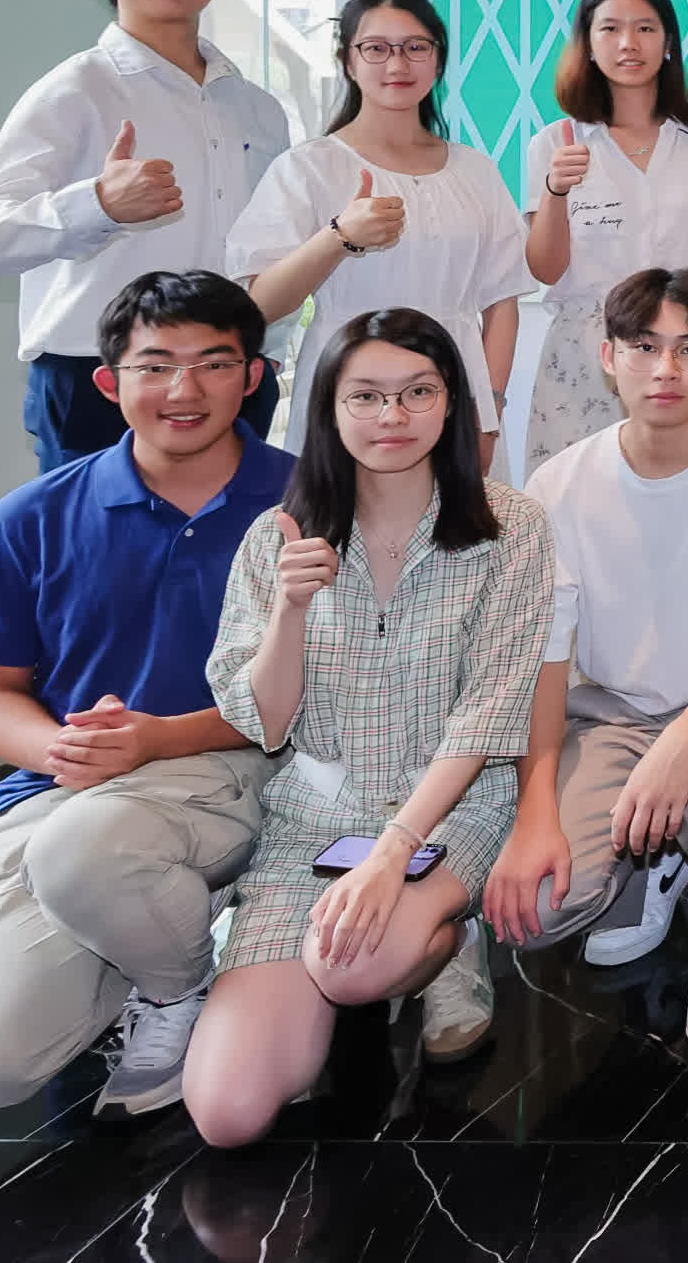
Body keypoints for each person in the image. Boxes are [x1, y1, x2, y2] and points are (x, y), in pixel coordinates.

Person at [0, 270, 290, 1119]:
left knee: (90, 851)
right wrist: (63, 748)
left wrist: (156, 741)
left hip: (254, 772)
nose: (184, 390)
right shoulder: (33, 515)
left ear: (253, 377)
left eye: (214, 363)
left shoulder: (312, 503)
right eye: (156, 366)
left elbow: (339, 693)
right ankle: (152, 931)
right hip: (72, 796)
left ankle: (177, 984)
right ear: (109, 382)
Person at [180, 310, 557, 1147]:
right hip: (314, 818)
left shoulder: (510, 527)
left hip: (451, 811)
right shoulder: (278, 537)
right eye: (367, 396)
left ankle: (443, 945)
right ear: (329, 408)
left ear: (452, 404)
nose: (393, 416)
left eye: (418, 393)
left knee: (353, 967)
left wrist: (391, 856)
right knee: (227, 1114)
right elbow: (265, 721)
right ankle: (350, 947)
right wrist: (289, 609)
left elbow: (489, 713)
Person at [484, 268, 688, 1046]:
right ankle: (656, 860)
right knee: (541, 911)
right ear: (609, 356)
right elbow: (548, 660)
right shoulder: (559, 483)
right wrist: (535, 812)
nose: (665, 369)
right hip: (609, 712)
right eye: (644, 347)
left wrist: (681, 741)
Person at [0, 0, 293, 469]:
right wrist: (99, 205)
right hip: (101, 377)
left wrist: (270, 357)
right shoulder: (75, 91)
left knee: (238, 533)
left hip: (234, 373)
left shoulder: (258, 108)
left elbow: (269, 248)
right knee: (97, 534)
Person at [228, 0, 530, 469]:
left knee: (459, 516)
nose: (397, 64)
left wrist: (489, 408)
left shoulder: (475, 170)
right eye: (376, 48)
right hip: (347, 390)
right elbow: (258, 303)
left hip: (455, 389)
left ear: (438, 60)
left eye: (415, 47)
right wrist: (339, 237)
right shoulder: (308, 168)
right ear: (348, 62)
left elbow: (502, 302)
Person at [516, 0, 688, 471]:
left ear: (668, 42)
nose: (628, 43)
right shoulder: (554, 143)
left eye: (645, 28)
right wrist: (555, 191)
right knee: (575, 498)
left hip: (684, 353)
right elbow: (544, 269)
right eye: (610, 29)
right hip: (585, 357)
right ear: (588, 43)